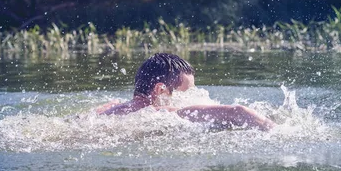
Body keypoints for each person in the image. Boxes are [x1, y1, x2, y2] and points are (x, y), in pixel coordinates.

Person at [97, 53, 275, 131]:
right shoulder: (159, 113)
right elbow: (238, 112)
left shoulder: (111, 106)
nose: (189, 100)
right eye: (186, 94)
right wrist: (282, 131)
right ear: (161, 90)